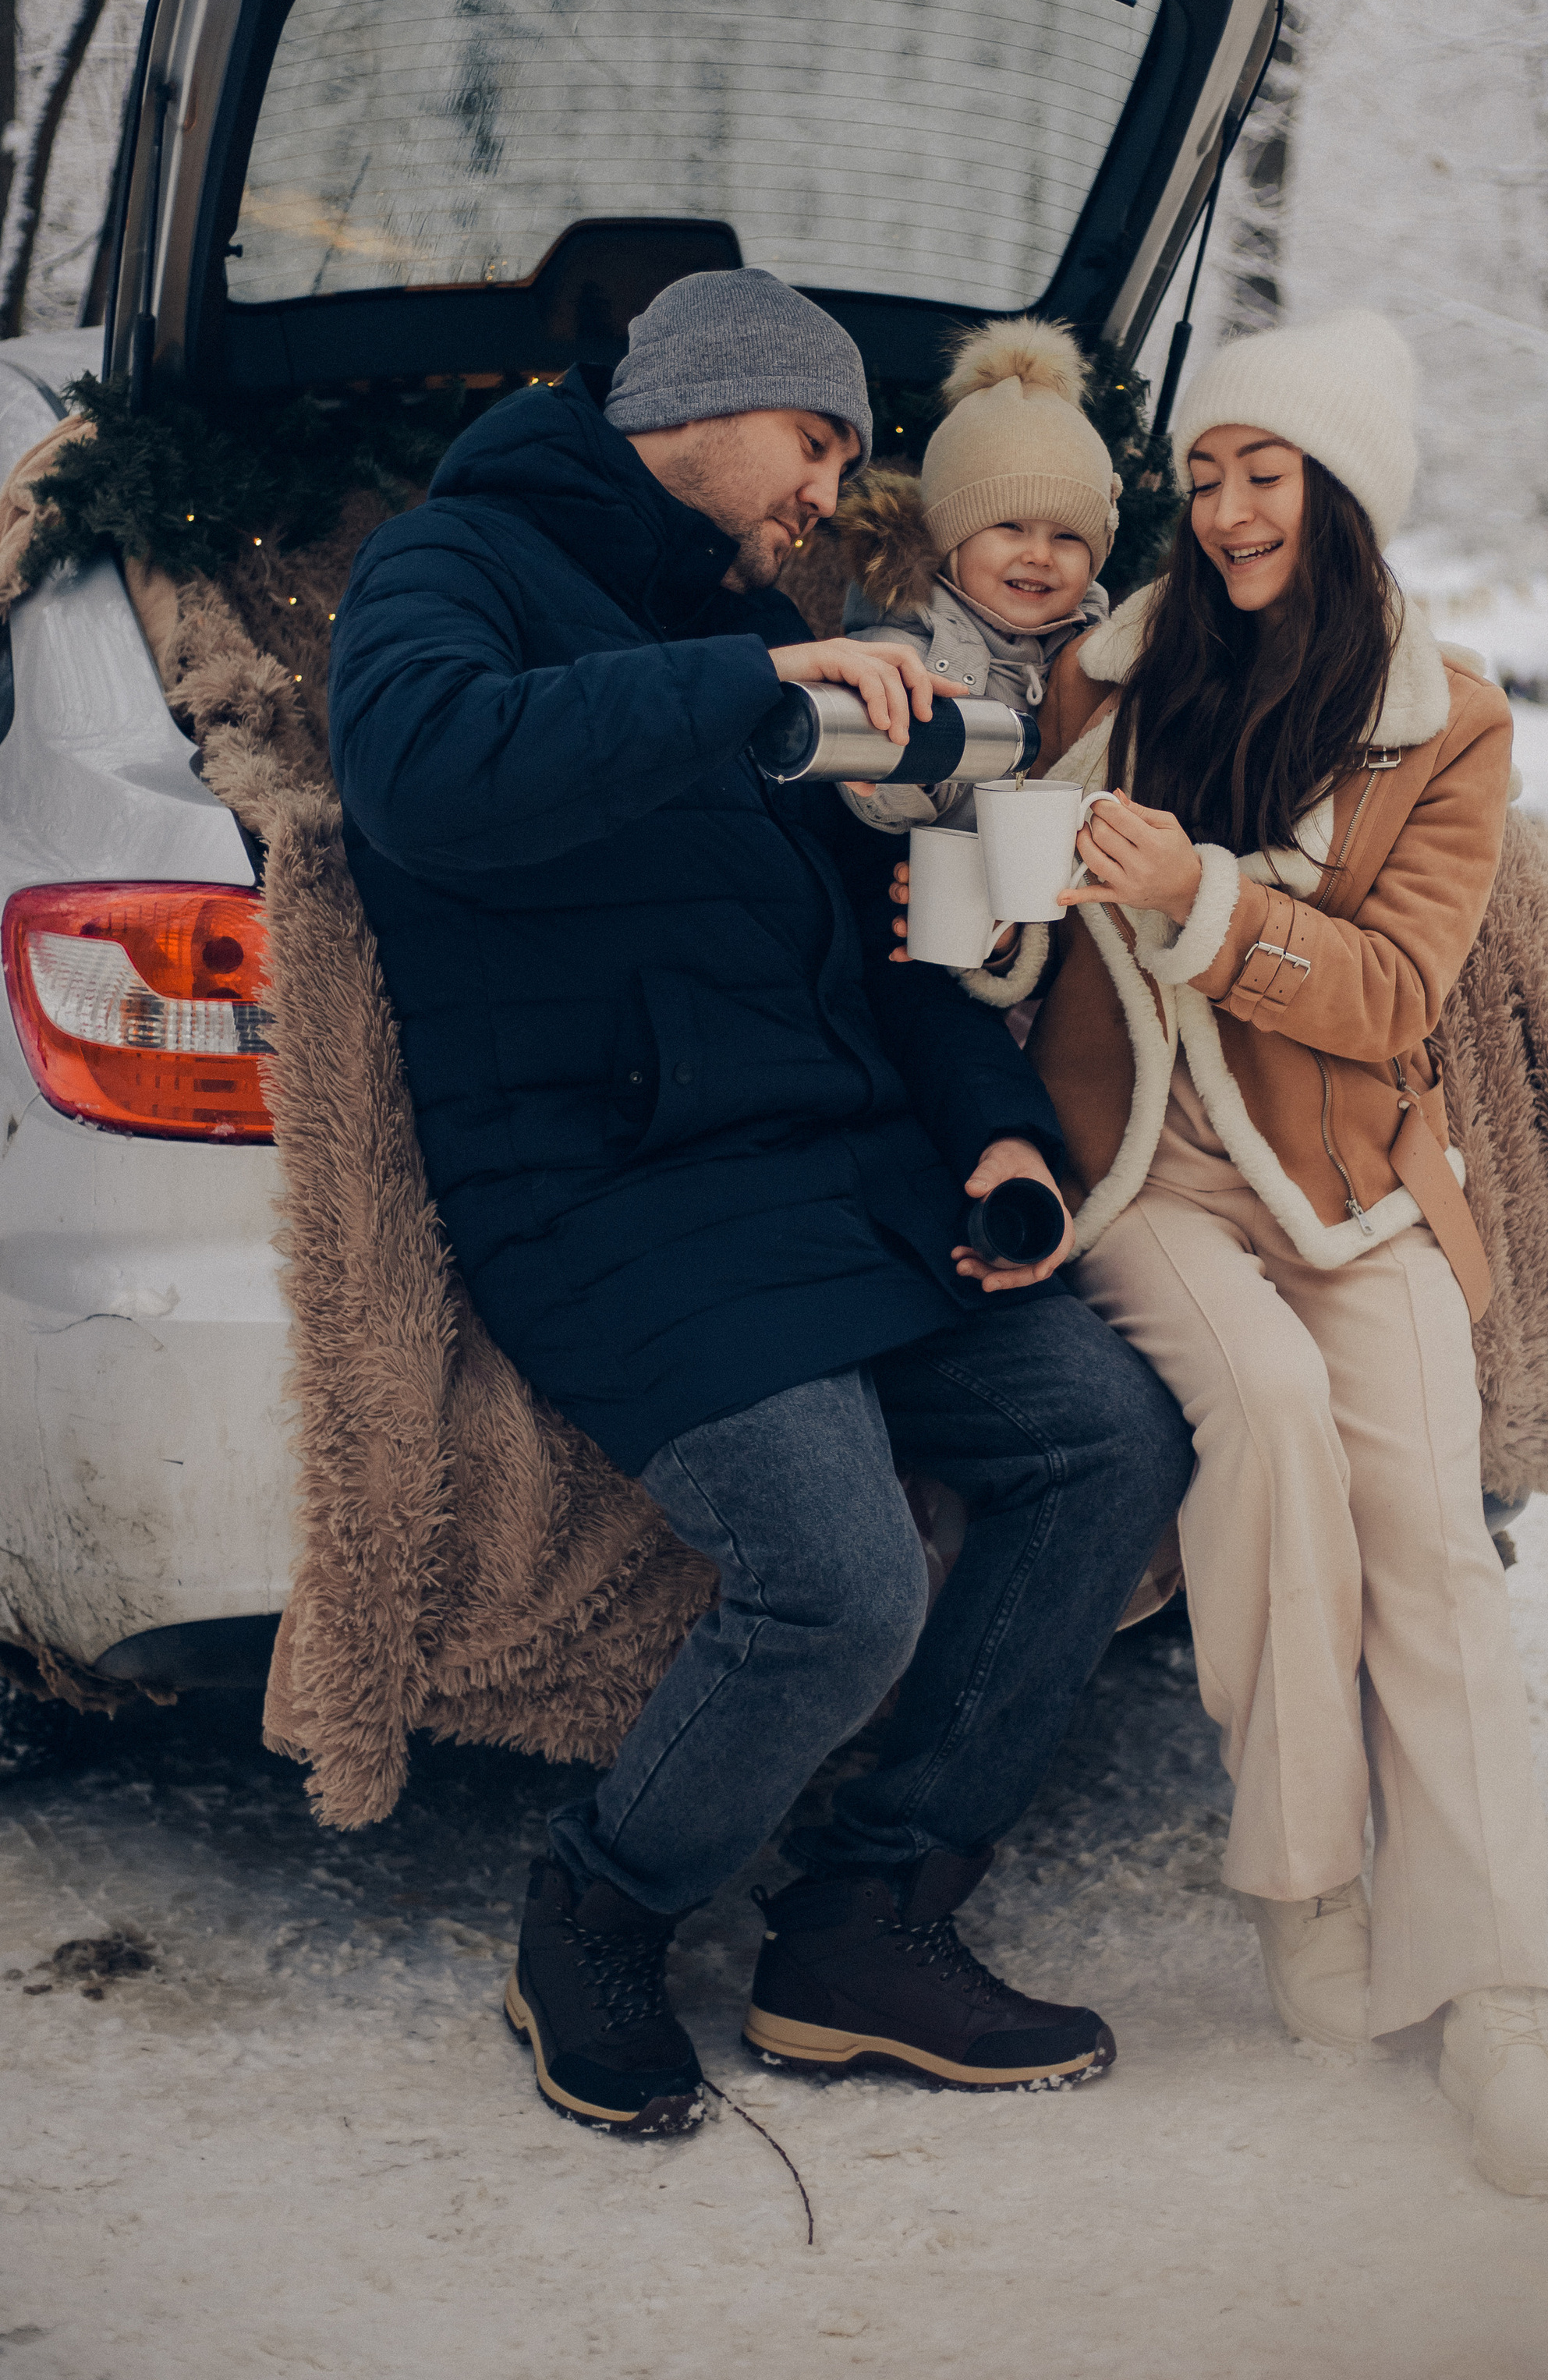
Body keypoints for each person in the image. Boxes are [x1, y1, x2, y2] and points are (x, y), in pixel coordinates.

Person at [325, 267, 1190, 2138]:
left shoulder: (749, 623)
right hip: (614, 1196)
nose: (827, 492)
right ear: (696, 403)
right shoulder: (450, 565)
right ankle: (601, 1904)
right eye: (814, 442)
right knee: (839, 1586)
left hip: (836, 1179)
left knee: (1109, 1433)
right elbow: (418, 772)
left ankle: (866, 1918)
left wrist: (996, 1135)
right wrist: (748, 684)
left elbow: (876, 950)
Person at [945, 311, 1548, 2199]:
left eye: (1268, 473)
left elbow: (1392, 991)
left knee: (1429, 1539)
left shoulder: (1444, 719)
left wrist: (1205, 898)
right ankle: (1304, 1877)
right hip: (1142, 1167)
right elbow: (1012, 921)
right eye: (1208, 474)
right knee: (1268, 1421)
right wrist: (996, 910)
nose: (1230, 508)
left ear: (1342, 495)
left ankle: (1492, 1993)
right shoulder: (1105, 673)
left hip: (1346, 1174)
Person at [832, 317, 1116, 834]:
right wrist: (902, 764)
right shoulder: (903, 650)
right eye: (1010, 527)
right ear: (951, 541)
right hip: (940, 872)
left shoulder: (1098, 655)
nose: (1040, 555)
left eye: (1067, 537)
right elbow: (883, 809)